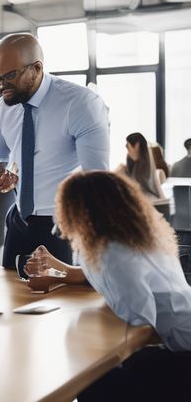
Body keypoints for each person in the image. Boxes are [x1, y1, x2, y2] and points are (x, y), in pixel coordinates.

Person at [22, 171, 191, 401]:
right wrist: (57, 273)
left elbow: (138, 317)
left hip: (183, 355)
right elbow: (102, 278)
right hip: (183, 340)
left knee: (89, 372)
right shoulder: (133, 239)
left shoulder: (114, 252)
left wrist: (90, 316)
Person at [0, 33, 109, 270]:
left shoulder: (81, 104)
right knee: (11, 293)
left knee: (65, 301)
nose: (2, 86)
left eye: (10, 76)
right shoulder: (2, 109)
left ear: (36, 68)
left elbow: (96, 180)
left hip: (63, 224)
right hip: (20, 220)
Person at [115, 132, 164, 199]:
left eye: (128, 148)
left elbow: (159, 192)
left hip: (148, 202)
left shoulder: (150, 170)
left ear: (137, 146)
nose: (128, 153)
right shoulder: (125, 168)